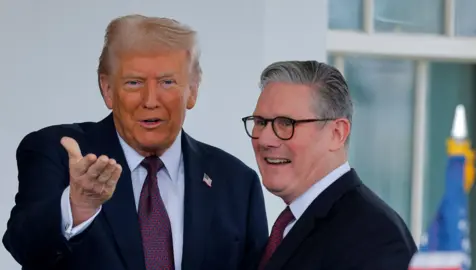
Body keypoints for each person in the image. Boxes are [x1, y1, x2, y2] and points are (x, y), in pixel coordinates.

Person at [3, 14, 268, 270]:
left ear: (193, 90)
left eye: (167, 82)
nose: (150, 100)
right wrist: (78, 205)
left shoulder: (237, 182)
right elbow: (24, 247)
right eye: (133, 82)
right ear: (107, 90)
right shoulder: (57, 153)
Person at [242, 60, 417, 270]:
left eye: (286, 123)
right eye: (261, 122)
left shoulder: (376, 238)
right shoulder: (292, 224)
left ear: (337, 134)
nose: (265, 140)